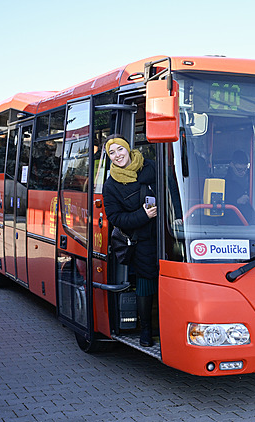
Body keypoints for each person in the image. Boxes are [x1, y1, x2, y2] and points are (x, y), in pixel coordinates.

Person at [102, 135, 157, 347]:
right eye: (112, 153)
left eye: (120, 150)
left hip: (165, 235)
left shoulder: (149, 166)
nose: (117, 156)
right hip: (141, 240)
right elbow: (115, 218)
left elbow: (172, 190)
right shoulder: (111, 185)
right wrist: (143, 216)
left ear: (128, 149)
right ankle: (146, 331)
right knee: (145, 283)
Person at [225, 150, 255, 224]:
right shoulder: (225, 183)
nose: (243, 172)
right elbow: (221, 204)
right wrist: (237, 201)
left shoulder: (253, 177)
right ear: (231, 165)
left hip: (250, 220)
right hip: (233, 221)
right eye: (239, 169)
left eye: (245, 169)